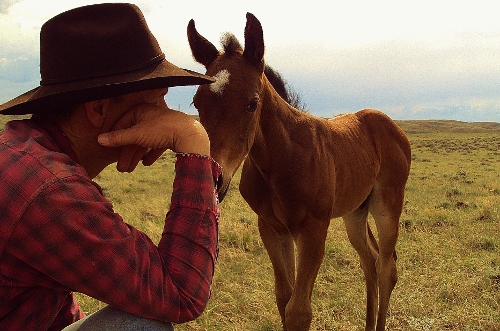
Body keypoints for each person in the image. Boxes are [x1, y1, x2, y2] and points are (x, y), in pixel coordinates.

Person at [0, 3, 222, 331]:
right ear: (100, 109)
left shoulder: (28, 153)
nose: (166, 113)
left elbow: (50, 297)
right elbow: (181, 293)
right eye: (156, 99)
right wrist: (192, 140)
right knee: (144, 325)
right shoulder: (50, 189)